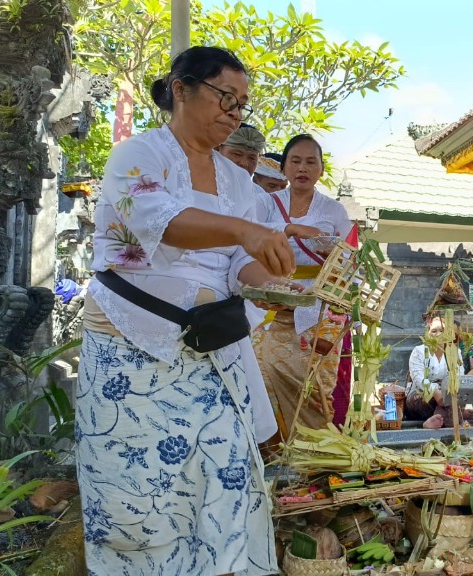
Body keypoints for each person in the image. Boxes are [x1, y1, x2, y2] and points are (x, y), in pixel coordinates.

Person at [76, 46, 318, 575]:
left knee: (225, 473)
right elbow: (154, 217)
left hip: (212, 350)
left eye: (242, 103)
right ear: (181, 89)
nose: (234, 112)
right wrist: (245, 232)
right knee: (138, 491)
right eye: (225, 96)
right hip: (131, 347)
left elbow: (241, 268)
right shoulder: (139, 154)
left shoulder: (239, 186)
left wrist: (275, 273)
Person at [253, 133, 354, 440]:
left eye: (311, 162)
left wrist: (333, 253)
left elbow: (351, 257)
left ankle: (311, 458)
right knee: (262, 379)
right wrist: (290, 228)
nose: (302, 168)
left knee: (314, 390)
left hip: (317, 314)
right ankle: (270, 458)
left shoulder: (334, 211)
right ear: (284, 168)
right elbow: (247, 234)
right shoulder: (265, 204)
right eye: (295, 161)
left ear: (321, 169)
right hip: (270, 308)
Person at [406, 317, 467, 429]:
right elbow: (418, 378)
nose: (438, 334)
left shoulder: (455, 352)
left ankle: (433, 422)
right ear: (428, 333)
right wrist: (435, 392)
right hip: (423, 393)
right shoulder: (419, 351)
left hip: (446, 394)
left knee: (455, 397)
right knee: (426, 398)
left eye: (442, 331)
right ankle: (455, 421)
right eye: (434, 331)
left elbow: (459, 376)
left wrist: (446, 393)